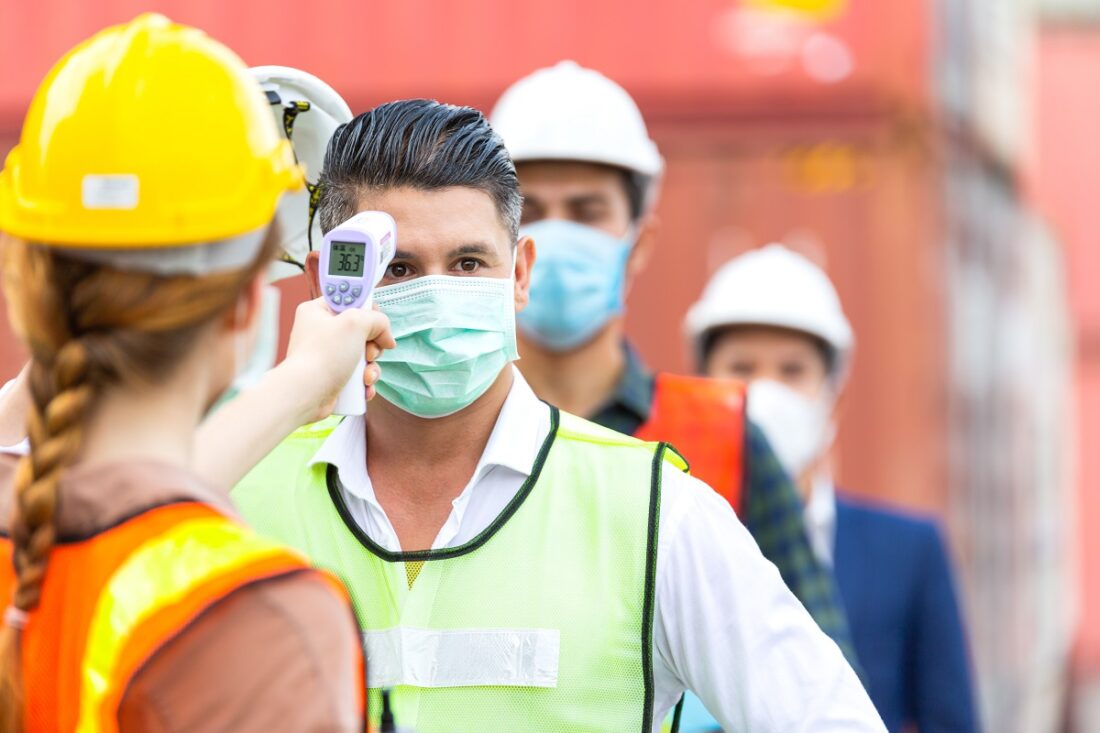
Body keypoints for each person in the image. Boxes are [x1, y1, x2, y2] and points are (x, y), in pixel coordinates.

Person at [233, 98, 886, 732]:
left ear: (519, 273)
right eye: (399, 268)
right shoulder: (237, 500)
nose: (437, 295)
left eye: (468, 263)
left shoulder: (657, 512)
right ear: (328, 283)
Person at [0, 15, 395, 730]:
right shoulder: (255, 620)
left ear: (24, 290)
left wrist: (299, 385)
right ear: (248, 304)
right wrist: (304, 381)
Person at [488, 60, 857, 664]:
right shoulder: (439, 439)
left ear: (641, 244)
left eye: (586, 212)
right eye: (530, 212)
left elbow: (820, 682)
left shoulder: (728, 441)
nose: (551, 239)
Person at [685, 244, 980, 733]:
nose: (766, 390)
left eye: (792, 371)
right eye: (741, 367)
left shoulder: (909, 552)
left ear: (834, 398)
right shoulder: (665, 535)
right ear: (702, 387)